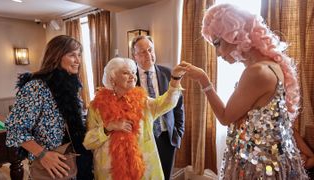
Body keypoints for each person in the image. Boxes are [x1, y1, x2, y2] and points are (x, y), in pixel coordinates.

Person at [182, 3, 309, 179]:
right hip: (272, 161)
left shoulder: (256, 72)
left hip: (258, 167)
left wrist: (204, 81)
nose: (218, 54)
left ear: (235, 35)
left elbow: (225, 117)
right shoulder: (273, 66)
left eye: (218, 43)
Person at [5, 35, 93, 179]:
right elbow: (14, 129)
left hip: (72, 163)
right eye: (72, 55)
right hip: (49, 166)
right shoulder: (36, 87)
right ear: (56, 56)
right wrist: (43, 154)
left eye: (79, 55)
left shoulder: (71, 86)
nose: (78, 60)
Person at [83, 57, 186, 180]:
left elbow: (166, 103)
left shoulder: (143, 101)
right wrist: (108, 127)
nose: (132, 76)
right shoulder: (97, 107)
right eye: (126, 73)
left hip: (143, 167)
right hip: (110, 171)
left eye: (133, 72)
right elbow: (88, 143)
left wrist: (175, 79)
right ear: (112, 79)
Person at [131, 35, 185, 179]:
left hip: (167, 137)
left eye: (150, 50)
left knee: (165, 176)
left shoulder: (169, 74)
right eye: (142, 52)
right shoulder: (129, 78)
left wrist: (178, 133)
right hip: (142, 139)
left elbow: (179, 106)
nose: (148, 54)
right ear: (134, 56)